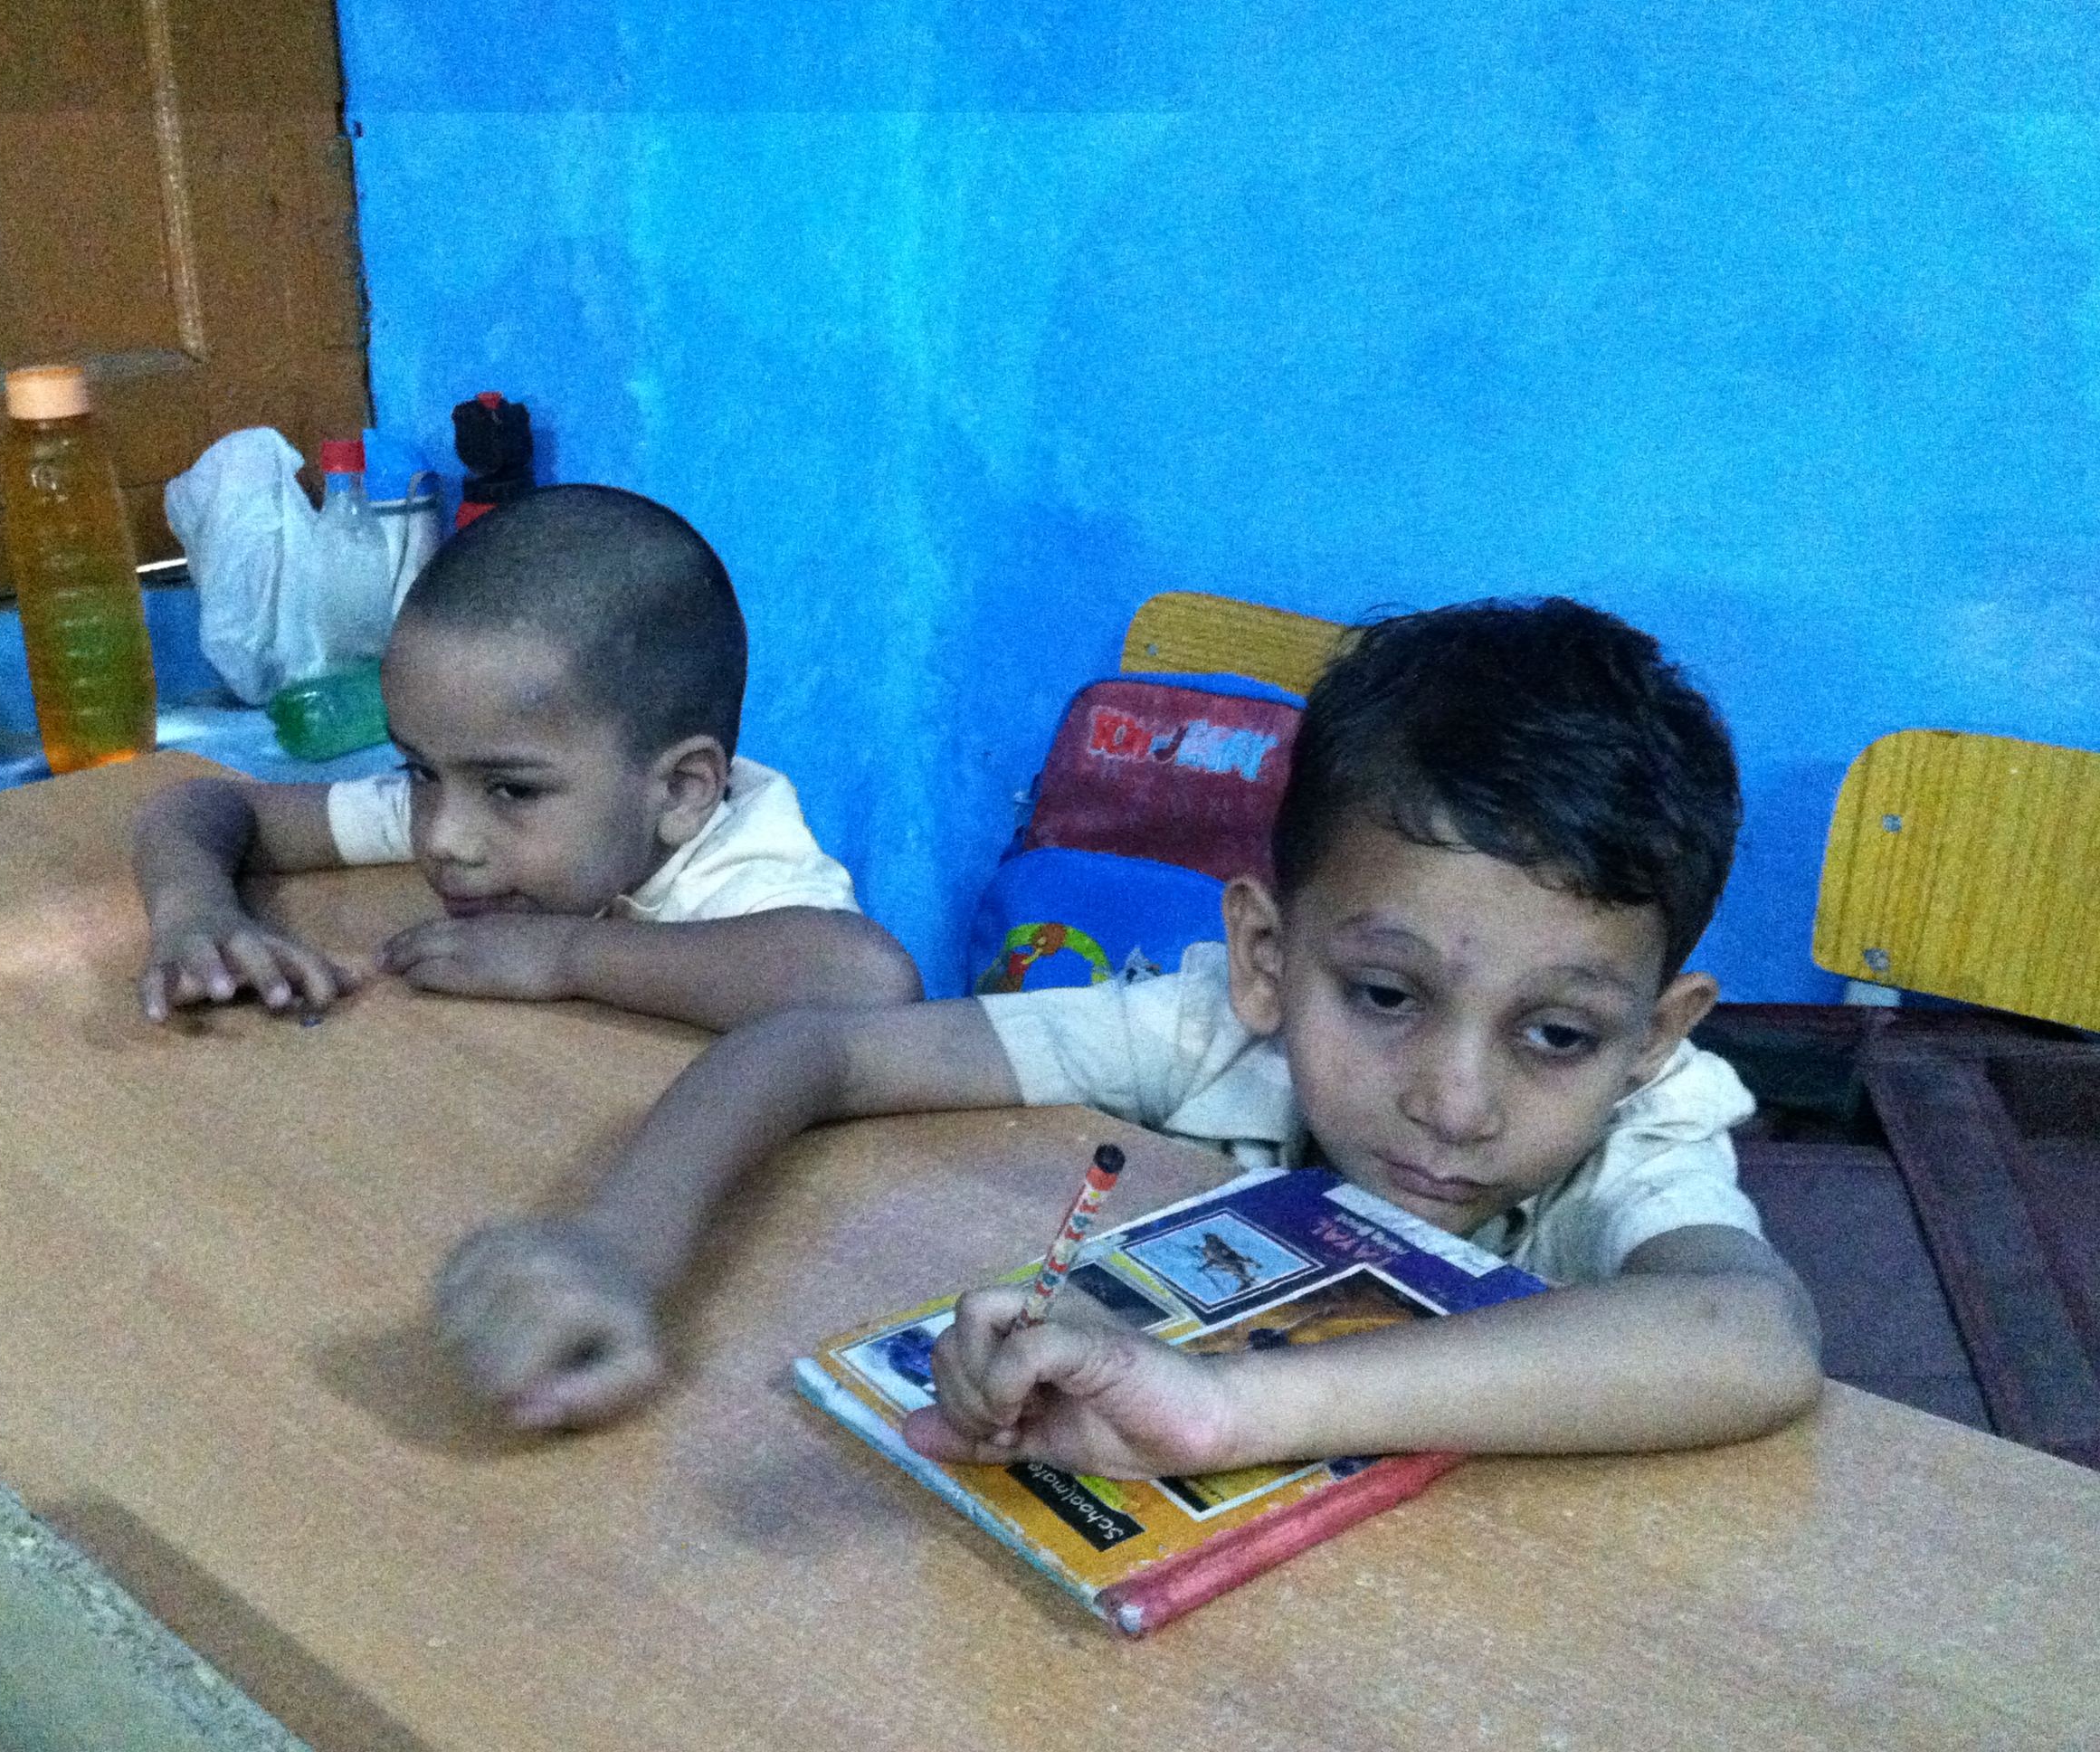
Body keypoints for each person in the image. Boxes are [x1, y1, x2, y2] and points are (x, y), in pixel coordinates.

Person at [436, 596, 1821, 1463]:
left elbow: (1748, 1338)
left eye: (1557, 1036)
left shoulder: (1644, 1129)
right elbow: (817, 1046)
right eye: (1387, 998)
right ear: (1266, 958)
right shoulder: (1212, 1030)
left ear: (1655, 1037)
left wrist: (1225, 1412)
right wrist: (621, 1249)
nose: (1457, 1102)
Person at [131, 485, 920, 1032]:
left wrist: (567, 957)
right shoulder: (475, 792)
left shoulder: (746, 878)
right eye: (419, 772)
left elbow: (868, 980)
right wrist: (197, 915)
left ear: (681, 792)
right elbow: (199, 807)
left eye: (510, 790)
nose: (444, 837)